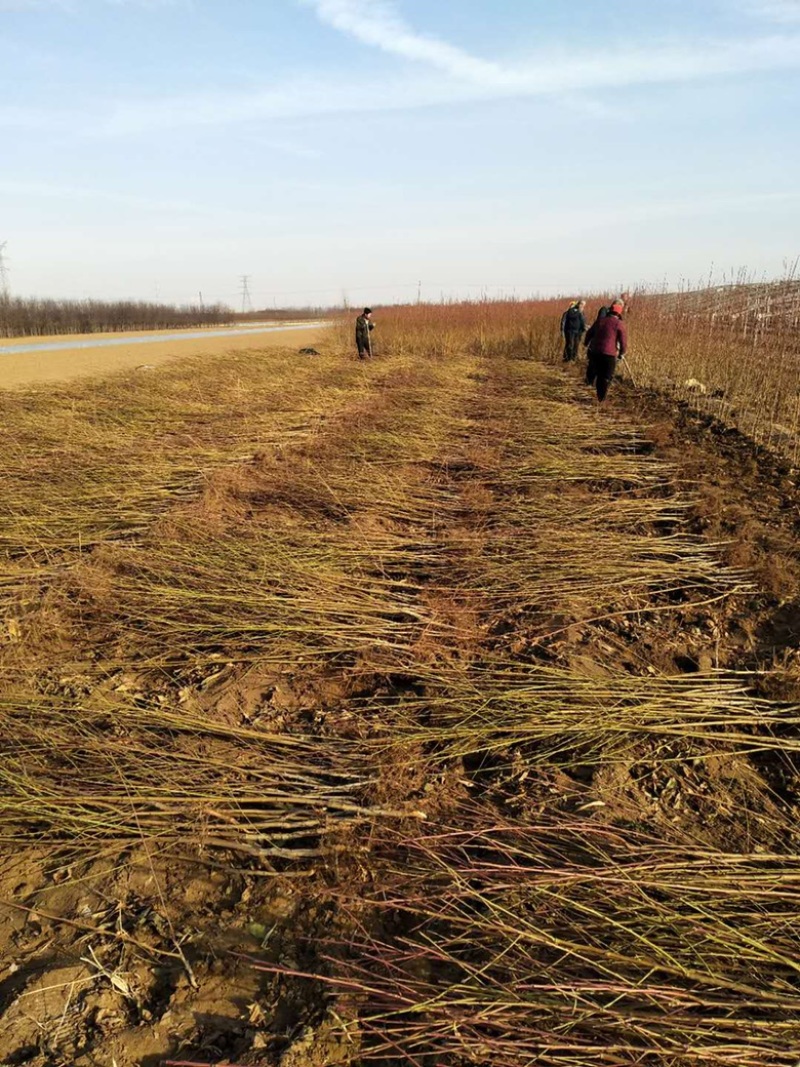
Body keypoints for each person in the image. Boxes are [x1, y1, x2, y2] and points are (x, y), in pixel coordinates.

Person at [584, 301, 627, 402]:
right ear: (619, 314)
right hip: (609, 353)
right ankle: (601, 398)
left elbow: (590, 332)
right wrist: (622, 352)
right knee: (606, 376)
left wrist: (586, 343)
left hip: (596, 351)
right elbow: (623, 340)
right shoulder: (619, 324)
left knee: (599, 374)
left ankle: (598, 393)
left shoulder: (600, 321)